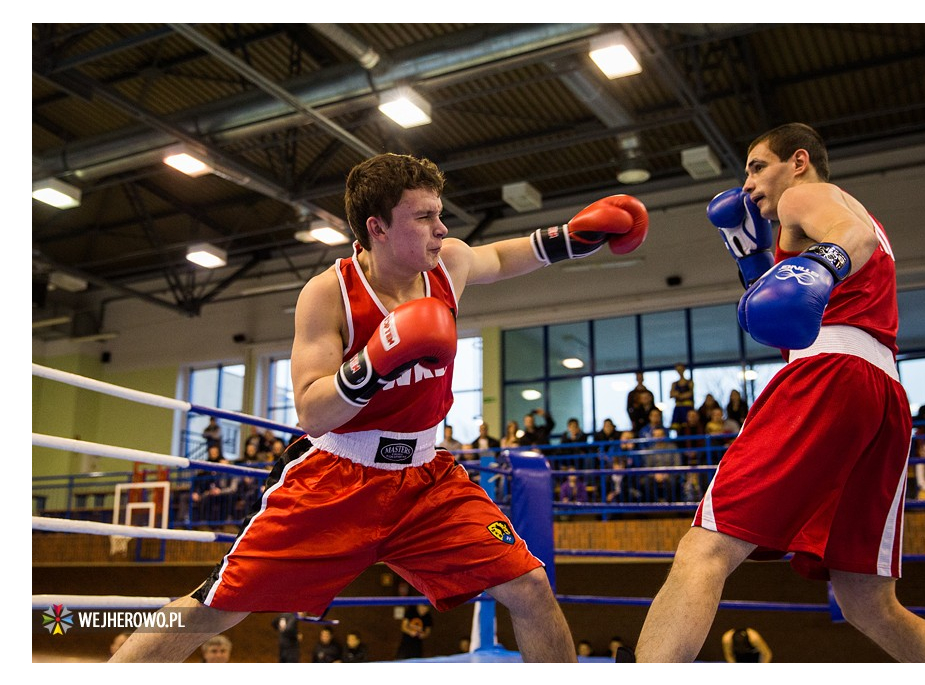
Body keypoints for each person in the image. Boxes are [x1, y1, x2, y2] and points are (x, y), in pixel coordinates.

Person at [110, 153, 646, 664]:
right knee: (215, 611)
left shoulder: (446, 266)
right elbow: (311, 412)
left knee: (529, 585)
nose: (441, 228)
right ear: (377, 227)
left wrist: (573, 239)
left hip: (424, 479)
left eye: (441, 213)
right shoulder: (329, 294)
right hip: (334, 480)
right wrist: (375, 360)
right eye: (424, 216)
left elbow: (501, 256)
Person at [626, 123, 925, 662]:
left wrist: (817, 264)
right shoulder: (854, 218)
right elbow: (786, 318)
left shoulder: (808, 196)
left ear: (799, 162)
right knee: (870, 603)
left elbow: (844, 244)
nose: (747, 183)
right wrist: (749, 256)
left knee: (706, 548)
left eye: (757, 166)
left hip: (828, 376)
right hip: (882, 394)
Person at [668, 363, 695, 431]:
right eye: (677, 370)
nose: (679, 371)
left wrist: (678, 395)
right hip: (678, 408)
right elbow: (671, 395)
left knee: (688, 426)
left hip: (687, 408)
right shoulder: (674, 384)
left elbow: (690, 393)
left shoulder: (689, 382)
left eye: (680, 369)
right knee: (677, 427)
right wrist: (681, 395)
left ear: (684, 369)